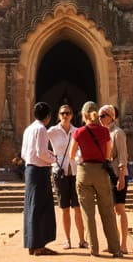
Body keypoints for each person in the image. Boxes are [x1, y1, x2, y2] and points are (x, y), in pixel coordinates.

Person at [70, 101, 122, 258]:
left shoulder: (79, 132)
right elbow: (108, 155)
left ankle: (94, 249)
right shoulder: (104, 131)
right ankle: (115, 249)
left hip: (84, 172)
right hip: (101, 171)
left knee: (88, 213)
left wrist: (81, 158)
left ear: (84, 115)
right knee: (107, 211)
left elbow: (72, 155)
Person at [46, 104, 87, 250]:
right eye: (63, 113)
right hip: (60, 173)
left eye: (68, 113)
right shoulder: (52, 131)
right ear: (59, 115)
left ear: (72, 115)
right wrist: (53, 160)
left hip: (75, 172)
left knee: (77, 207)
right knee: (64, 208)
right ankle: (68, 240)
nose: (65, 115)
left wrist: (79, 157)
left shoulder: (77, 131)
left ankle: (82, 240)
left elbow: (81, 149)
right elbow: (42, 147)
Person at [21, 102, 58, 256]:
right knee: (41, 207)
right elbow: (41, 153)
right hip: (39, 172)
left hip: (30, 170)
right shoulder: (41, 129)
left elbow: (24, 154)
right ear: (48, 116)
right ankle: (39, 246)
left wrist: (45, 156)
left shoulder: (28, 129)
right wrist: (54, 159)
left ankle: (32, 244)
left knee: (31, 207)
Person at [99, 105, 130, 246]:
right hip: (108, 175)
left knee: (120, 209)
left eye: (103, 116)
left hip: (118, 175)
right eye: (99, 116)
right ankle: (115, 243)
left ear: (111, 117)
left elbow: (123, 157)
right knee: (111, 210)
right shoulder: (104, 133)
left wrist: (122, 177)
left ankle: (123, 244)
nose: (100, 119)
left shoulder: (118, 133)